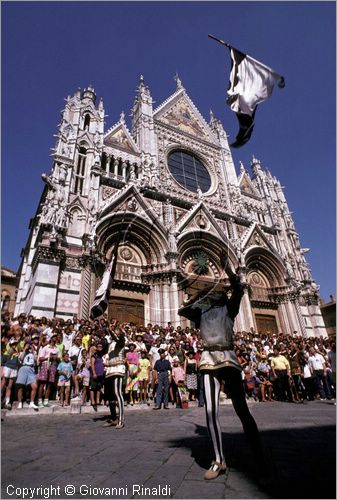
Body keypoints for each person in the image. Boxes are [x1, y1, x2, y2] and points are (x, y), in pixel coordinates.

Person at [178, 253, 268, 481]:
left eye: (219, 290)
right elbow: (182, 309)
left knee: (242, 408)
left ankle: (258, 451)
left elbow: (238, 287)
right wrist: (199, 291)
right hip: (208, 360)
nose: (217, 291)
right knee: (210, 411)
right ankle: (219, 460)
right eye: (214, 290)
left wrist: (228, 269)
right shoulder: (199, 313)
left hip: (228, 358)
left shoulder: (230, 309)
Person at [103, 327, 126, 428]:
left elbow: (116, 338)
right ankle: (113, 418)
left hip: (118, 368)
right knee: (110, 396)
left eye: (116, 331)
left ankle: (121, 420)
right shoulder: (110, 344)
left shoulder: (121, 341)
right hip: (109, 369)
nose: (114, 332)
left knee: (117, 394)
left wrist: (110, 330)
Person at [16, 340, 39, 410]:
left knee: (34, 386)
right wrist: (24, 350)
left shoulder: (34, 352)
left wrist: (33, 350)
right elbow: (21, 358)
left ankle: (32, 403)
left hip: (31, 369)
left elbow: (36, 362)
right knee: (20, 386)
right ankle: (20, 402)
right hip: (23, 368)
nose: (29, 346)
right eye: (28, 344)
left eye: (30, 344)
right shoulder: (22, 352)